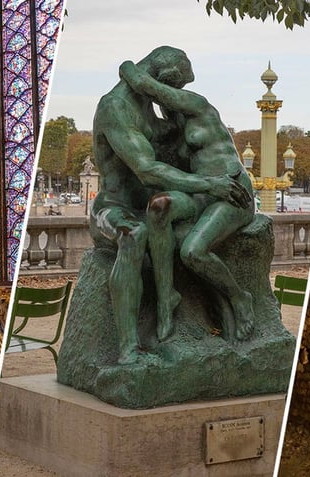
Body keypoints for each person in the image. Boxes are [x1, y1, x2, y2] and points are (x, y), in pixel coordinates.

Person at [90, 46, 250, 364]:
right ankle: (129, 348)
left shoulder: (159, 106)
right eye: (178, 86)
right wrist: (208, 184)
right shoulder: (116, 106)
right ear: (167, 78)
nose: (177, 94)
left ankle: (174, 300)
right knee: (135, 234)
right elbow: (147, 170)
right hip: (115, 206)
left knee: (164, 215)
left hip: (175, 198)